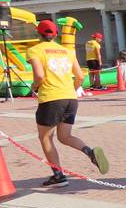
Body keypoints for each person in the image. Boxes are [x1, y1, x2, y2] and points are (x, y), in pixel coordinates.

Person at [27, 20, 109, 187]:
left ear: (38, 33)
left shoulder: (34, 50)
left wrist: (34, 87)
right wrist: (71, 90)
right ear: (56, 34)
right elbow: (80, 76)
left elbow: (40, 76)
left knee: (45, 137)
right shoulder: (67, 51)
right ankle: (90, 152)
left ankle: (58, 175)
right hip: (70, 98)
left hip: (50, 98)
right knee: (65, 136)